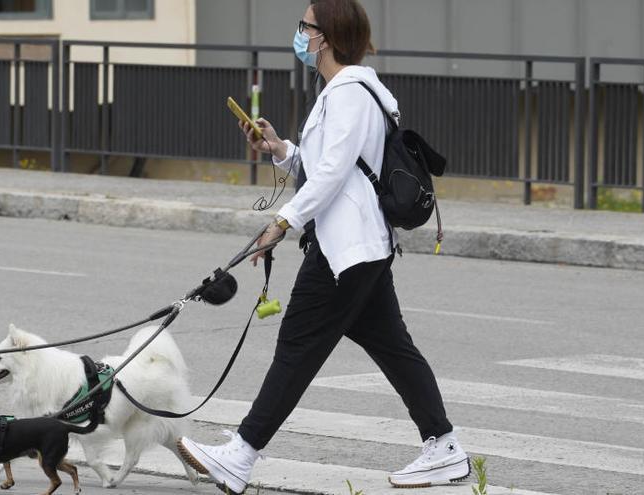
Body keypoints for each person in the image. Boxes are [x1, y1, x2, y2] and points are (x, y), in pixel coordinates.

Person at [177, 0, 469, 493]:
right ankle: (443, 446)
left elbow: (333, 174)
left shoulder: (350, 92)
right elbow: (332, 168)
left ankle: (241, 455)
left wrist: (282, 221)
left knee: (297, 345)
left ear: (325, 37)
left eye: (304, 26)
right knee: (393, 348)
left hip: (345, 250)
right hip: (360, 248)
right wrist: (282, 150)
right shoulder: (344, 90)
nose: (299, 34)